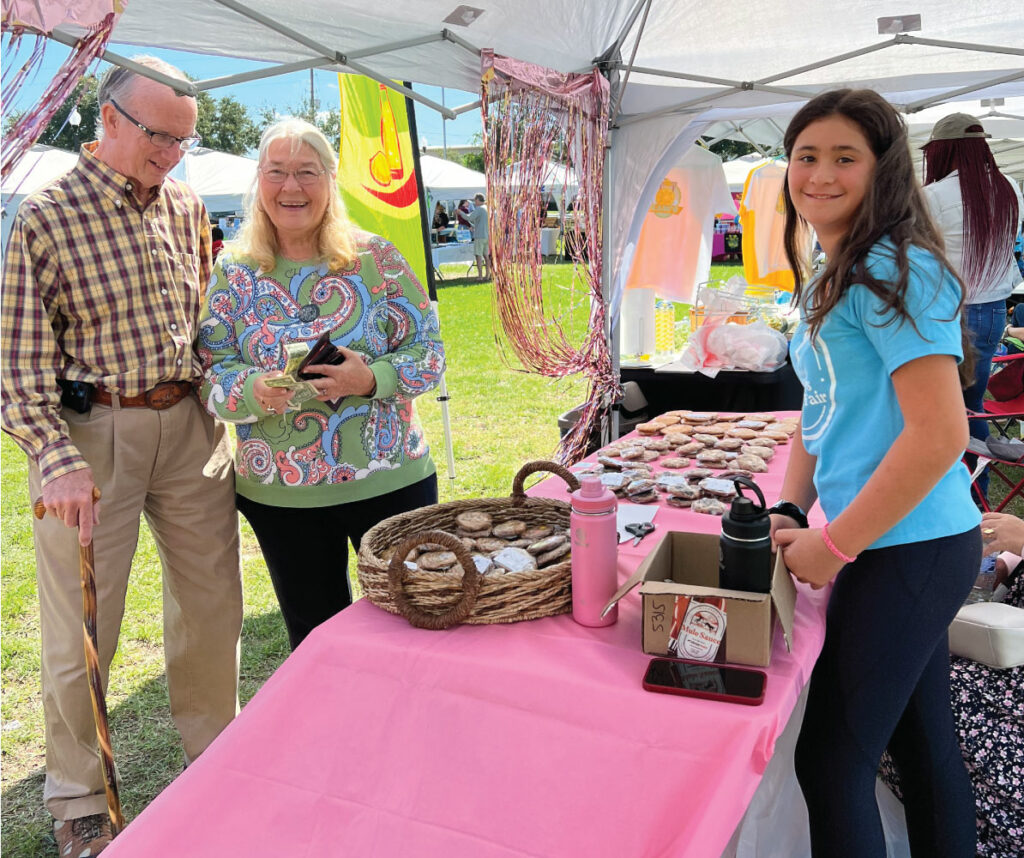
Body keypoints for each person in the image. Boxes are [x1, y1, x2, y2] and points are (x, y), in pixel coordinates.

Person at [0, 57, 243, 857]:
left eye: (184, 140)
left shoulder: (183, 203)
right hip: (90, 437)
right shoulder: (46, 215)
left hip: (189, 424)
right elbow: (19, 365)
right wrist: (54, 457)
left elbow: (201, 317)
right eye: (159, 136)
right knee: (81, 630)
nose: (173, 153)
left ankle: (217, 757)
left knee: (212, 606)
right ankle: (77, 796)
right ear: (108, 120)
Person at [770, 89, 981, 857]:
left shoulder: (895, 269)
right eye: (805, 156)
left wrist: (837, 544)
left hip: (911, 549)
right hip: (894, 544)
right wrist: (792, 509)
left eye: (844, 157)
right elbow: (821, 407)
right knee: (922, 748)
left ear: (883, 169)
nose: (819, 175)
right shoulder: (836, 265)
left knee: (831, 764)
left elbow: (938, 435)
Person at [198, 118, 445, 651]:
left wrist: (371, 378)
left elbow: (430, 355)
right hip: (285, 499)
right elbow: (209, 371)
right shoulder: (234, 272)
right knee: (317, 643)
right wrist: (251, 389)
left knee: (416, 625)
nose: (292, 188)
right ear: (258, 182)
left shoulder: (375, 259)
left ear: (330, 180)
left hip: (390, 481)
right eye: (278, 172)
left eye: (307, 172)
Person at [922, 113, 1024, 502]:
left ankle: (949, 496)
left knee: (940, 409)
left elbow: (915, 255)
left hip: (947, 311)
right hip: (992, 310)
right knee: (970, 406)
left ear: (941, 151)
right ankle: (972, 496)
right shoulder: (1010, 187)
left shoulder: (933, 196)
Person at [467, 191, 490, 280]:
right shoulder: (487, 208)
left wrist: (460, 212)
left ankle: (480, 276)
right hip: (486, 236)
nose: (474, 202)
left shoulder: (480, 209)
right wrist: (473, 226)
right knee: (486, 256)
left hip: (480, 236)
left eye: (475, 200)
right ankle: (487, 274)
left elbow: (469, 217)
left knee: (478, 256)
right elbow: (481, 223)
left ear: (477, 199)